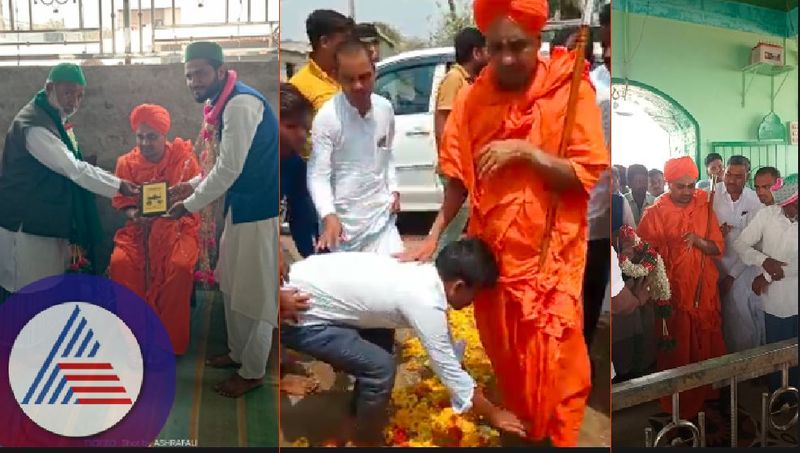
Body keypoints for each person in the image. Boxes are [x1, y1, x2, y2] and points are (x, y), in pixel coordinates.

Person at [398, 0, 608, 445]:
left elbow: (584, 174)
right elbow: (456, 179)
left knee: (562, 370)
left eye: (518, 45)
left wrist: (525, 152)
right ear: (484, 49)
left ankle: (558, 438)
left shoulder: (569, 91)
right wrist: (433, 236)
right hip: (496, 266)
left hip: (553, 262)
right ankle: (529, 433)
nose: (508, 57)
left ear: (539, 41)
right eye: (497, 48)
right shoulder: (473, 99)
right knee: (511, 364)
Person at [281, 238, 526, 445]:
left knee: (381, 340)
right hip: (295, 315)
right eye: (475, 294)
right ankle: (364, 439)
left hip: (300, 284)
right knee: (380, 367)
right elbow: (446, 365)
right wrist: (493, 413)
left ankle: (357, 413)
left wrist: (471, 388)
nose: (474, 302)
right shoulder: (424, 301)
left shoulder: (423, 274)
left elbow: (446, 350)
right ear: (458, 286)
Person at [167, 41, 279, 398]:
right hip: (238, 208)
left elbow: (228, 169)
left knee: (257, 293)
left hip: (257, 211)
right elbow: (222, 167)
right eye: (187, 76)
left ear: (219, 70)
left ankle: (253, 371)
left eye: (199, 73)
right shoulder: (222, 103)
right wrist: (188, 186)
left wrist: (189, 205)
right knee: (231, 283)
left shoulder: (241, 104)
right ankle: (237, 353)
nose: (193, 82)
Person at [0, 63, 139, 302]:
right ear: (49, 88)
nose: (74, 102)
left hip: (46, 218)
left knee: (46, 288)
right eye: (68, 93)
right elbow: (73, 169)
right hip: (26, 225)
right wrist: (119, 185)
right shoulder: (34, 127)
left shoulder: (52, 116)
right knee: (27, 290)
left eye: (79, 96)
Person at [636, 156, 726, 420]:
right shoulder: (655, 213)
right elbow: (644, 255)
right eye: (680, 186)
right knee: (676, 348)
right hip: (672, 294)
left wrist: (698, 241)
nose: (687, 191)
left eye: (690, 185)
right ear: (668, 184)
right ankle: (677, 400)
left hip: (703, 289)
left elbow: (718, 248)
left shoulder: (705, 206)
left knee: (704, 342)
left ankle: (707, 394)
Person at [109, 104, 200, 355]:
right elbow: (122, 203)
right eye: (140, 137)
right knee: (120, 264)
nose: (145, 143)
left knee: (179, 268)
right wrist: (133, 215)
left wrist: (174, 213)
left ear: (164, 136)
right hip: (137, 232)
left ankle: (169, 344)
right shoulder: (125, 163)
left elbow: (195, 200)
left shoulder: (183, 159)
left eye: (152, 137)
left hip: (177, 226)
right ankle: (133, 340)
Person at [308, 40, 402, 255]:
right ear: (336, 77)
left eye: (364, 77)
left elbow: (387, 155)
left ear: (374, 72)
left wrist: (393, 188)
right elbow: (317, 175)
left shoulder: (385, 109)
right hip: (342, 232)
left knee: (394, 280)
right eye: (349, 79)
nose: (358, 85)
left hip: (381, 223)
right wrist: (328, 215)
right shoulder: (327, 118)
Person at [734, 173, 797, 396]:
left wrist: (767, 275)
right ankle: (778, 400)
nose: (789, 210)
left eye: (794, 204)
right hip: (777, 302)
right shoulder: (768, 214)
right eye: (786, 205)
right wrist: (764, 261)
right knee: (778, 355)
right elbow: (740, 244)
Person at [433, 27, 488, 256]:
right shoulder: (454, 79)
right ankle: (436, 265)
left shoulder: (471, 81)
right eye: (487, 50)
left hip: (466, 168)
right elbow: (444, 124)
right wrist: (453, 163)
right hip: (455, 168)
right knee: (451, 223)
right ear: (476, 52)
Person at [713, 155, 764, 353]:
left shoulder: (754, 200)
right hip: (716, 267)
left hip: (744, 269)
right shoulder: (711, 196)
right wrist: (716, 232)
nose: (732, 181)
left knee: (744, 318)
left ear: (748, 176)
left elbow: (754, 243)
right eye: (728, 174)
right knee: (718, 320)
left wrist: (732, 276)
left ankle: (746, 370)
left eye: (739, 176)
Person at [279, 83, 317, 258]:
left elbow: (303, 218)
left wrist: (315, 257)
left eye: (306, 129)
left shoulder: (295, 165)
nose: (302, 135)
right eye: (291, 126)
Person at [289, 9, 354, 112]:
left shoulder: (354, 76)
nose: (347, 49)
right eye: (342, 45)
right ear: (324, 42)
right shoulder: (298, 88)